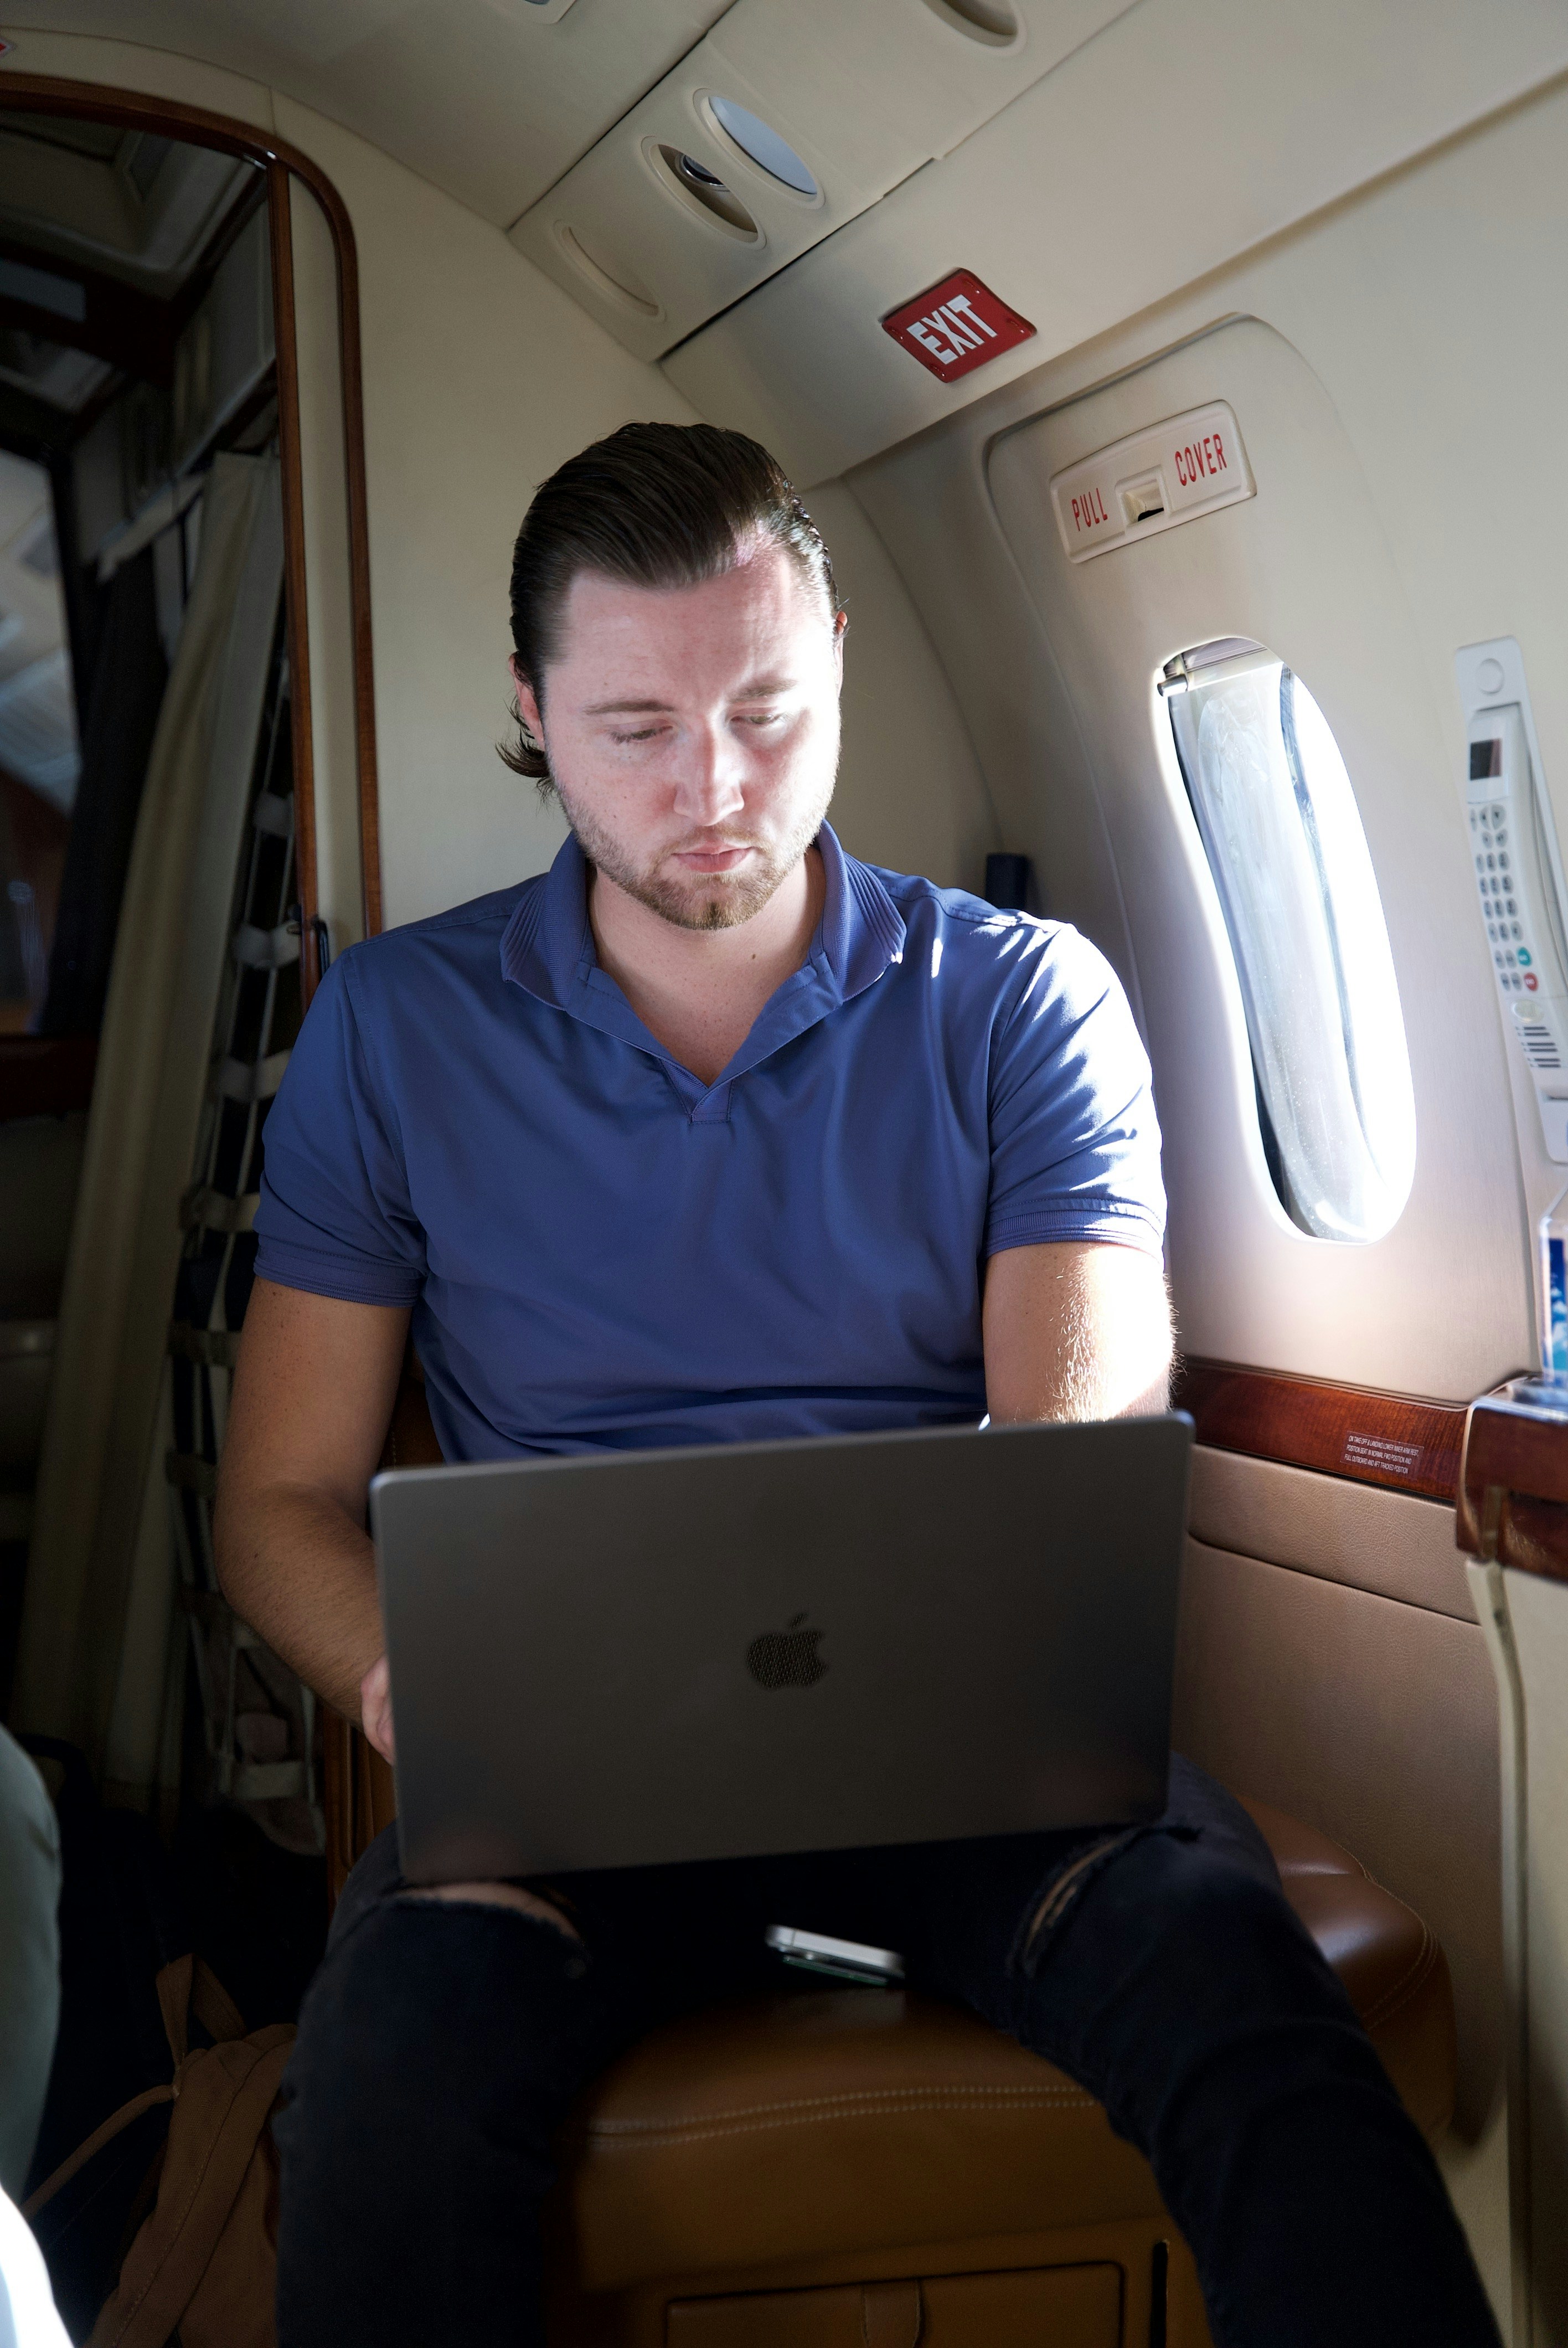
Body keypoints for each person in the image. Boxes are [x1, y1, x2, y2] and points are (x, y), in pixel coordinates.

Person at [214, 423, 1499, 2347]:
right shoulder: (394, 1032)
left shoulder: (1020, 1002)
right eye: (636, 726)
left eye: (766, 712)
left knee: (1248, 2009)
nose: (714, 787)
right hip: (570, 1786)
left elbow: (1064, 1458)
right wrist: (404, 1673)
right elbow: (275, 1504)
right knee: (381, 2086)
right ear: (532, 717)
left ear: (837, 686)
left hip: (968, 1761)